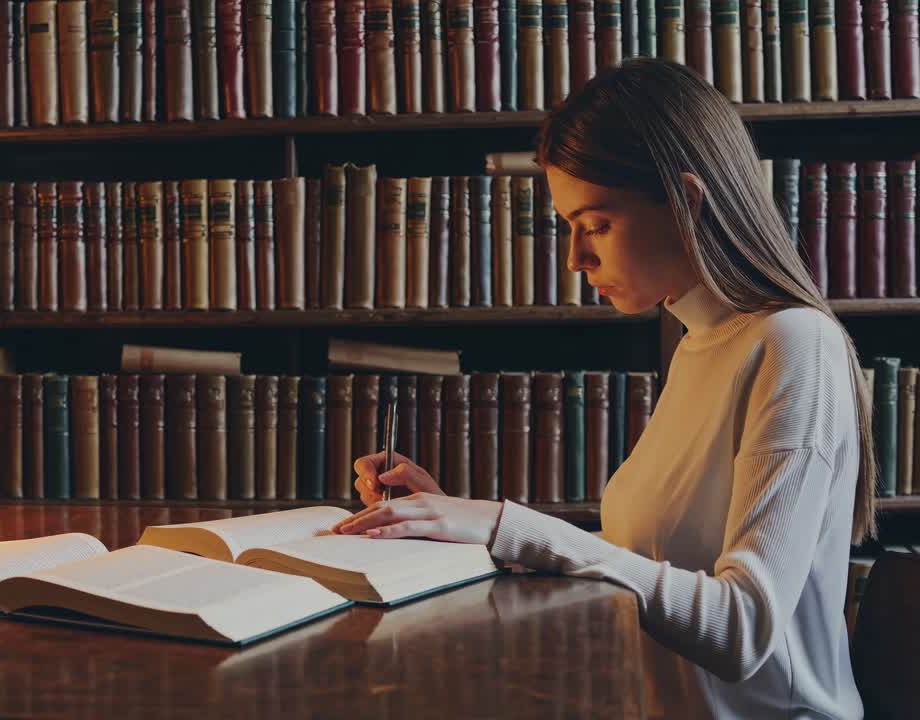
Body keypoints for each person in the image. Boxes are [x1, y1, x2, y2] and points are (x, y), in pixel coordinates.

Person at [333, 58, 874, 719]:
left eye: (596, 225)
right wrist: (458, 522)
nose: (575, 259)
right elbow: (645, 570)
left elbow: (743, 631)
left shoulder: (794, 344)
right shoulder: (699, 343)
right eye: (569, 227)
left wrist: (511, 525)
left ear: (686, 200)